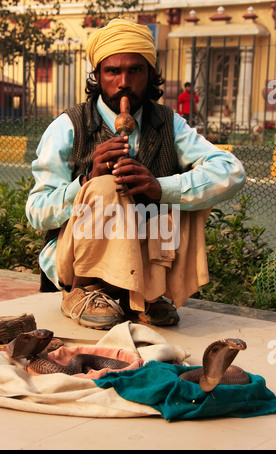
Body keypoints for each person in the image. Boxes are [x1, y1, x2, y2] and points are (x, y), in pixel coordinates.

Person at [26, 18, 245, 330]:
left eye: (135, 70)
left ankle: (146, 294)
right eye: (113, 71)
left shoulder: (170, 123)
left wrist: (161, 187)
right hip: (76, 259)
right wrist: (86, 181)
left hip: (145, 255)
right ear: (98, 76)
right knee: (103, 188)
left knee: (184, 199)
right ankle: (83, 292)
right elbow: (36, 213)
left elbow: (231, 171)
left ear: (151, 74)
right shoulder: (68, 126)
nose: (124, 82)